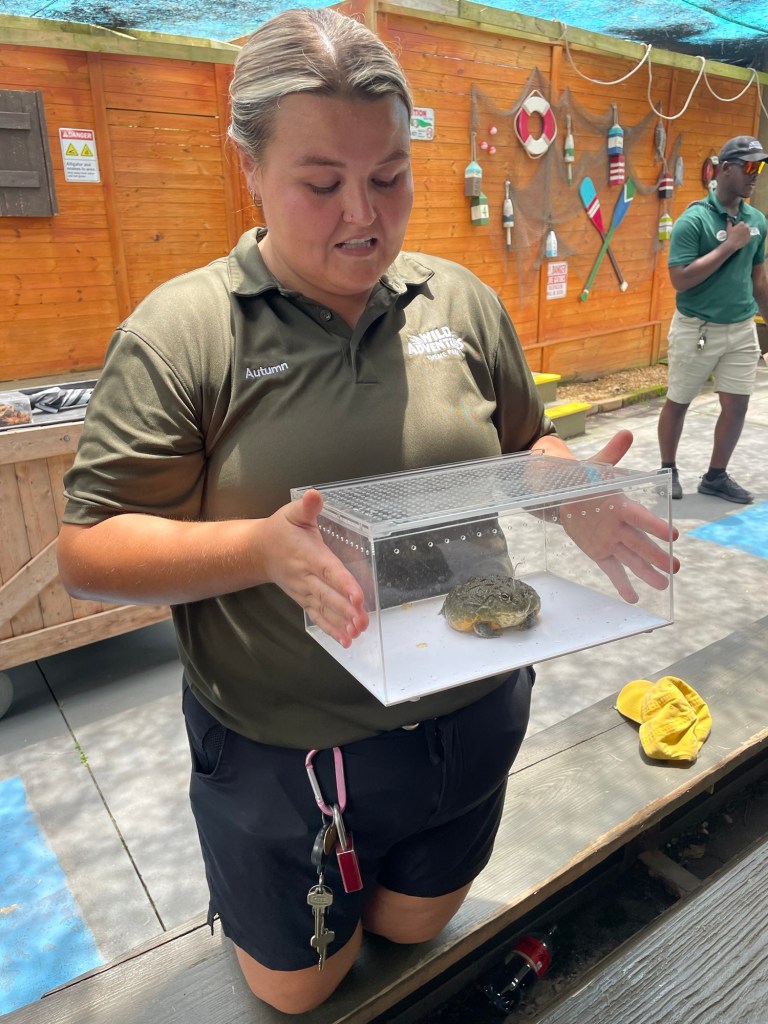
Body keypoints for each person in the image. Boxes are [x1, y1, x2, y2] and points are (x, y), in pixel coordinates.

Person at [56, 8, 678, 1014]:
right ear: (247, 165)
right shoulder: (185, 334)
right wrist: (260, 547)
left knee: (414, 927)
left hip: (468, 711)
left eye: (390, 176)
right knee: (305, 990)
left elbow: (523, 444)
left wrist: (571, 496)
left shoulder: (458, 302)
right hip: (290, 745)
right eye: (321, 182)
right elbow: (89, 548)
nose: (364, 214)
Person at [658, 134, 768, 503]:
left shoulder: (756, 221)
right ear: (725, 169)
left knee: (737, 404)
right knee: (679, 400)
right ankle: (667, 470)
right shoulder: (694, 221)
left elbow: (759, 281)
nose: (756, 175)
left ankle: (716, 477)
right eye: (750, 166)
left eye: (760, 166)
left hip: (741, 329)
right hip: (697, 328)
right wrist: (728, 245)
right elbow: (681, 279)